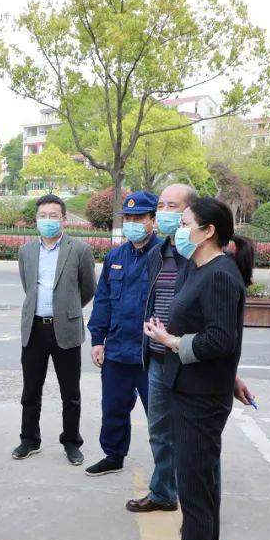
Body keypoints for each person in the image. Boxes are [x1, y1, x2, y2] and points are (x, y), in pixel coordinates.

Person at [141, 197, 252, 540]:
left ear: (208, 231)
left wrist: (170, 342)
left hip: (200, 398)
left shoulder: (221, 275)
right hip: (191, 388)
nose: (178, 227)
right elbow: (217, 334)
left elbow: (220, 340)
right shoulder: (199, 269)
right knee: (199, 481)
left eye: (185, 222)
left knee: (194, 487)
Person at [127, 184, 255, 514]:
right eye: (161, 205)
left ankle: (199, 522)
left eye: (174, 208)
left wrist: (229, 374)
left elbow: (220, 331)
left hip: (194, 368)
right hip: (160, 362)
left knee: (198, 450)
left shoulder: (208, 264)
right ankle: (163, 492)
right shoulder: (160, 254)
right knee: (161, 434)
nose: (165, 214)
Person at [13, 194, 96, 466]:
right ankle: (29, 439)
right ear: (36, 219)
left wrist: (67, 309)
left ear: (64, 219)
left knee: (70, 392)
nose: (47, 220)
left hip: (66, 329)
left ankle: (71, 442)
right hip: (35, 328)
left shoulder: (80, 249)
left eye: (53, 216)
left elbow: (87, 289)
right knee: (31, 390)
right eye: (42, 216)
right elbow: (29, 287)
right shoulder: (26, 251)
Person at [85, 191, 158, 477]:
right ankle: (113, 455)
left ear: (152, 219)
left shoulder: (165, 256)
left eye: (138, 217)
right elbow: (102, 300)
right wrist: (97, 340)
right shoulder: (115, 256)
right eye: (128, 218)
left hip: (151, 353)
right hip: (117, 350)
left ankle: (167, 467)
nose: (132, 223)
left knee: (160, 416)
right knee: (113, 408)